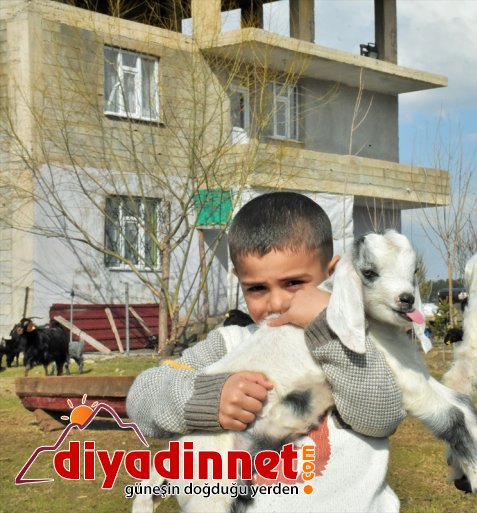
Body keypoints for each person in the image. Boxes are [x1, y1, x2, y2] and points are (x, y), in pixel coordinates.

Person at [127, 191, 404, 512]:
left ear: (332, 275)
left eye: (294, 283)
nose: (276, 303)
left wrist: (329, 329)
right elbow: (142, 397)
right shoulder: (231, 343)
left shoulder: (359, 343)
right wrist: (208, 399)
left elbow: (380, 419)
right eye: (257, 288)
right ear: (239, 282)